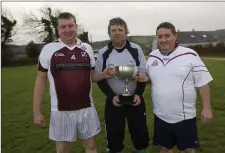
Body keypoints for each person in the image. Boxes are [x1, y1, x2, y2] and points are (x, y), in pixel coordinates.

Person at [33, 12, 115, 153]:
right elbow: (40, 80)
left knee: (91, 146)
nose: (67, 30)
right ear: (58, 29)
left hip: (86, 108)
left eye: (70, 25)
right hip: (60, 110)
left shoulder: (87, 49)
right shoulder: (48, 50)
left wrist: (104, 74)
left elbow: (92, 76)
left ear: (76, 27)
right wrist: (36, 111)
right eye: (63, 26)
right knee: (63, 149)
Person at [137, 22, 213, 153]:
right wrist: (146, 79)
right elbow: (153, 79)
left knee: (187, 150)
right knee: (164, 148)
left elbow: (203, 83)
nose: (163, 40)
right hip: (160, 114)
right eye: (160, 37)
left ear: (175, 36)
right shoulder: (153, 56)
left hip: (184, 116)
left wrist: (207, 109)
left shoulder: (190, 55)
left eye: (167, 35)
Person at [95, 17, 150, 153]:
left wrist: (138, 94)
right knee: (114, 141)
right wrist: (111, 96)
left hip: (135, 101)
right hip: (113, 103)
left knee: (141, 138)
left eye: (120, 29)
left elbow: (142, 75)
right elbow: (100, 78)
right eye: (113, 30)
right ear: (109, 33)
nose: (117, 32)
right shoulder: (103, 53)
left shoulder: (136, 49)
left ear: (126, 32)